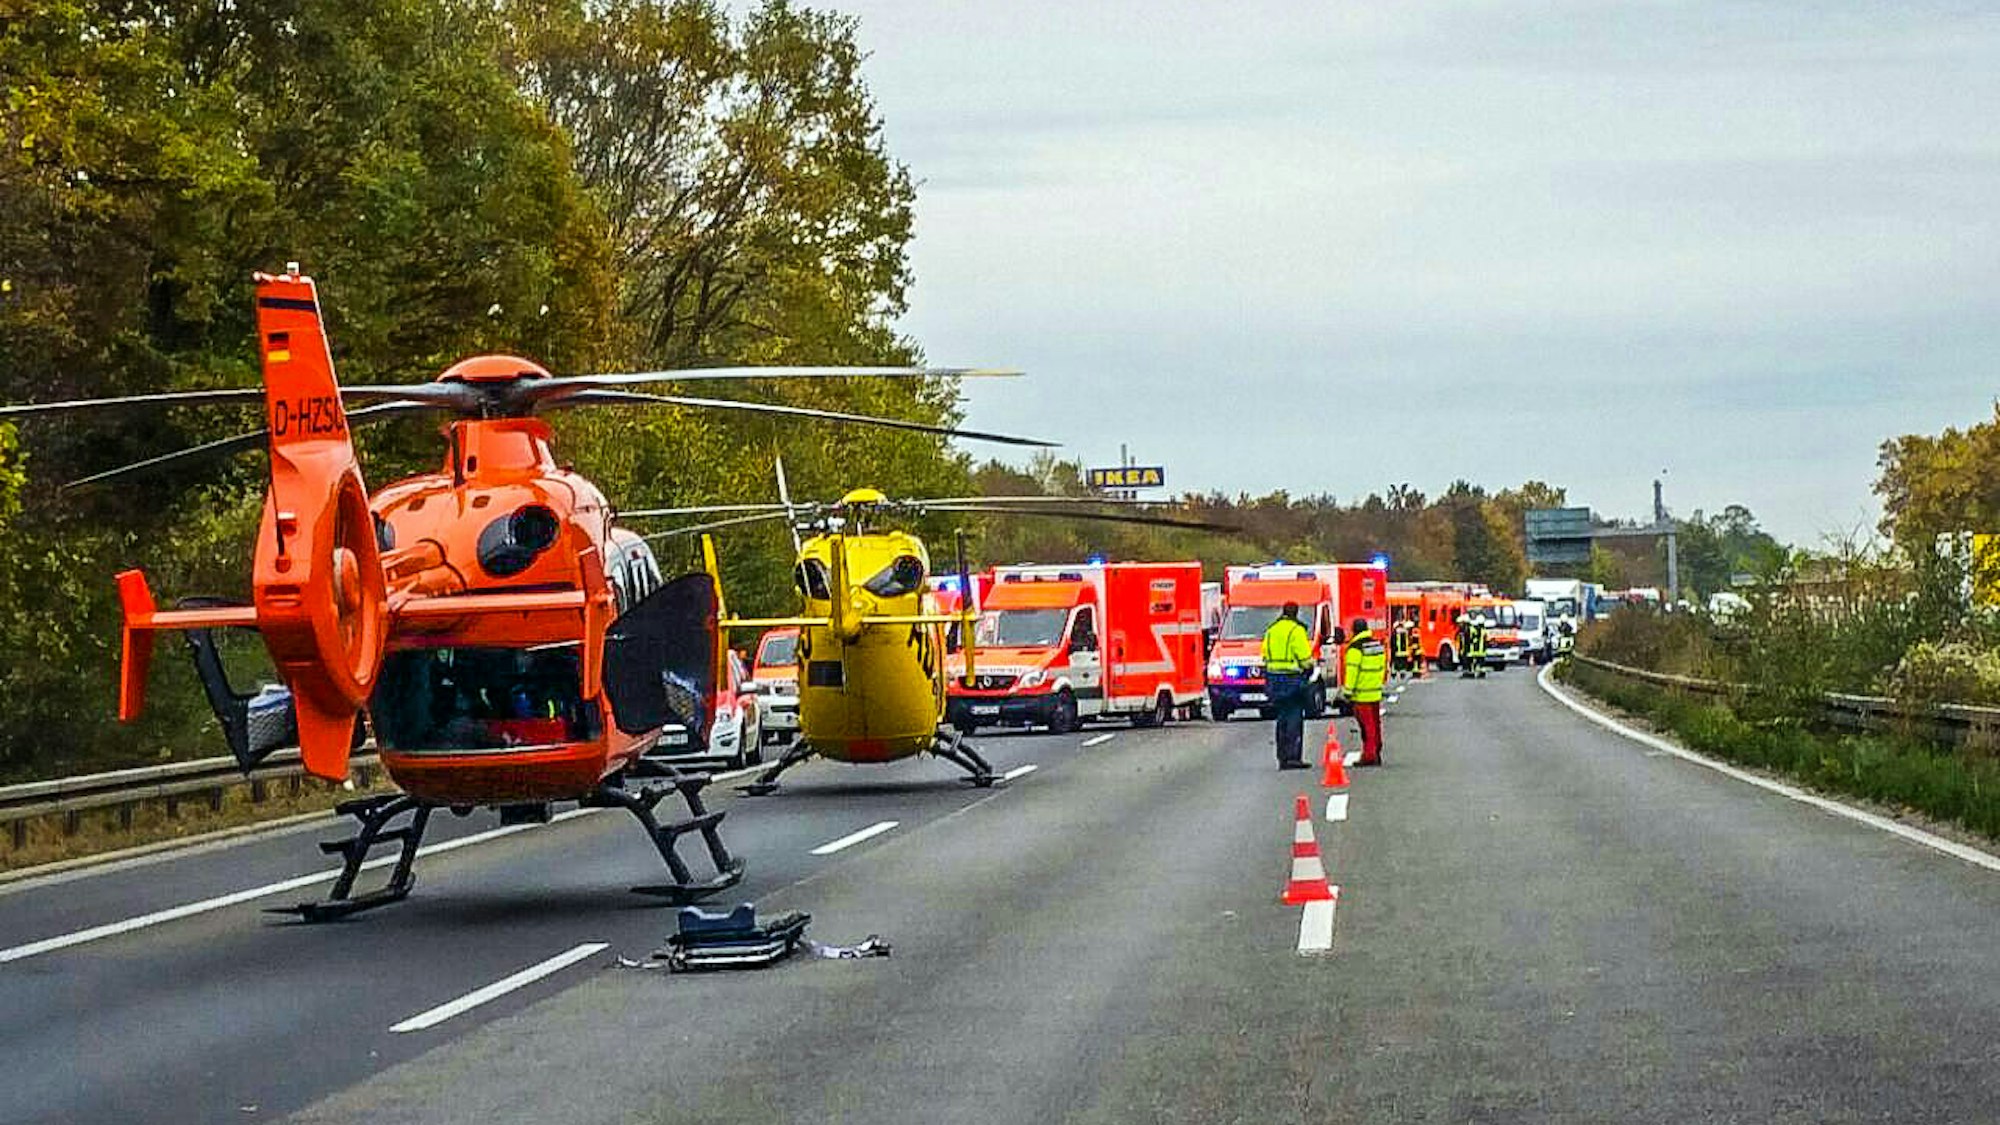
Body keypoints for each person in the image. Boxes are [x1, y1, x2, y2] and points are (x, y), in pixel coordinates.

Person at [1261, 601, 1314, 769]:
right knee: (1294, 718)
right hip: (1292, 678)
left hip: (1273, 679)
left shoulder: (1271, 630)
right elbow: (1304, 658)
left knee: (1281, 718)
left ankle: (1282, 756)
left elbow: (1264, 654)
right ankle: (1293, 757)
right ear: (1296, 613)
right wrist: (1310, 667)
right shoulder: (1296, 630)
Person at [1344, 617, 1388, 766]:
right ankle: (1376, 750)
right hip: (1375, 692)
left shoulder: (1355, 648)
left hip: (1361, 694)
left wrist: (1347, 692)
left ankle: (1369, 755)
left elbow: (1352, 671)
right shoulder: (1376, 645)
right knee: (1375, 725)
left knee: (1366, 727)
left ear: (1354, 631)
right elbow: (1383, 667)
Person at [1457, 611, 1488, 679]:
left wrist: (1463, 649)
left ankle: (1469, 673)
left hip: (1471, 649)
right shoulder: (1483, 630)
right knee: (1480, 662)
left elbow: (1467, 640)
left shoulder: (1469, 629)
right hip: (1481, 650)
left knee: (1468, 662)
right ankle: (1481, 672)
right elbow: (1486, 640)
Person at [1391, 617, 1417, 681]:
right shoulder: (1406, 632)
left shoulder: (1395, 633)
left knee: (1398, 667)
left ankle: (1398, 677)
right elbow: (1409, 642)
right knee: (1403, 667)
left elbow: (1393, 644)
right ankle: (1403, 676)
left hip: (1397, 654)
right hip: (1405, 653)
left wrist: (1392, 654)